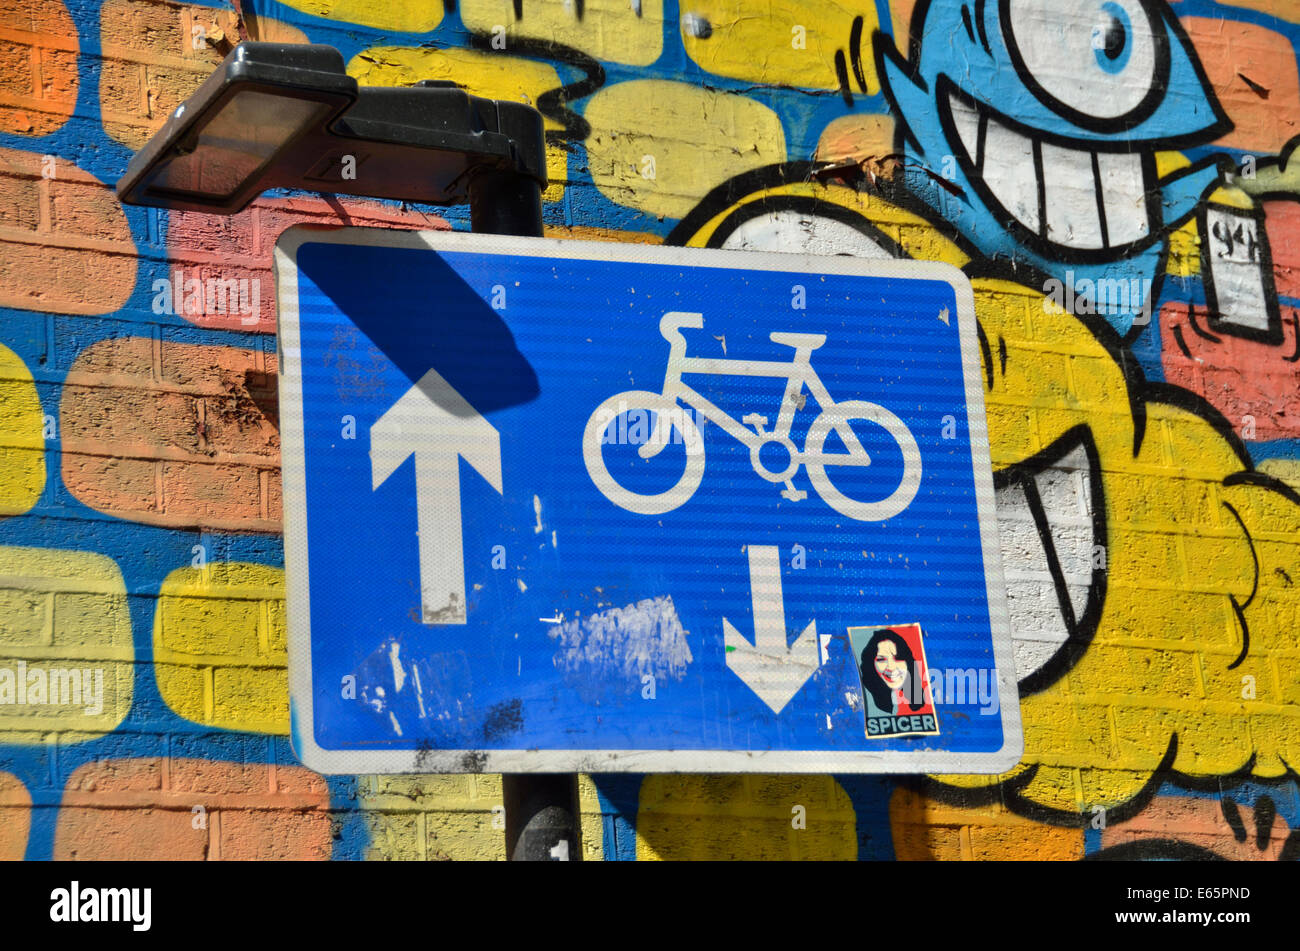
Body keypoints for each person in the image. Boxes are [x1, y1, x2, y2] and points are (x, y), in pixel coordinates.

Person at [859, 628, 926, 719]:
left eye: (898, 658)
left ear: (908, 662)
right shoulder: (864, 701)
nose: (891, 667)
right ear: (871, 664)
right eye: (881, 659)